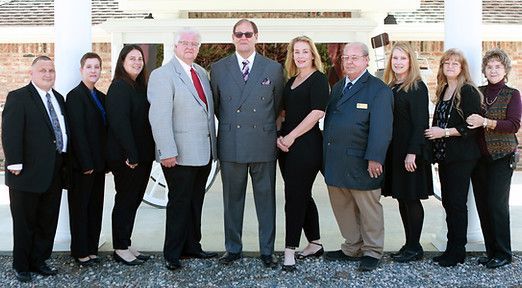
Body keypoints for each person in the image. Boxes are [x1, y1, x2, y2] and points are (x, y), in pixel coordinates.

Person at [210, 18, 284, 268]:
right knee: (232, 201)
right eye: (239, 34)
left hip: (263, 143)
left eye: (248, 34)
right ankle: (232, 249)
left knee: (266, 201)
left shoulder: (273, 68)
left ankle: (267, 250)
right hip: (231, 144)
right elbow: (218, 107)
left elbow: (277, 105)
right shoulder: (218, 68)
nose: (243, 38)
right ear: (233, 37)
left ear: (256, 37)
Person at [148, 28, 218, 271]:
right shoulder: (162, 75)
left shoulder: (200, 72)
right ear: (174, 46)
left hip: (203, 152)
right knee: (178, 203)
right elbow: (159, 117)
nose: (190, 47)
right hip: (177, 154)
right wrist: (166, 151)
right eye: (185, 43)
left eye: (194, 43)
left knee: (195, 201)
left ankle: (192, 245)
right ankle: (173, 253)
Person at [323, 42, 393, 272]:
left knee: (368, 208)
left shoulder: (378, 90)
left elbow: (382, 129)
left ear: (366, 60)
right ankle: (352, 247)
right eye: (346, 58)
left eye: (355, 57)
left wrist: (375, 158)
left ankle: (372, 251)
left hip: (362, 161)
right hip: (336, 160)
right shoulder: (338, 87)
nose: (349, 62)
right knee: (342, 208)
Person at [2, 56, 68, 282]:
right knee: (24, 222)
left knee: (47, 220)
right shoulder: (19, 97)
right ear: (32, 73)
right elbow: (10, 132)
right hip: (25, 173)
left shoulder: (58, 98)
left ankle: (39, 260)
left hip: (54, 172)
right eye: (43, 70)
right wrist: (14, 163)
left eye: (51, 70)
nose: (48, 74)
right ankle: (21, 265)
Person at [425, 48, 482, 267]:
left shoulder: (467, 91)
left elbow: (471, 126)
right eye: (446, 63)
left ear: (462, 68)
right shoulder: (444, 90)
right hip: (445, 156)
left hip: (462, 156)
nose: (450, 66)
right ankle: (451, 247)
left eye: (455, 64)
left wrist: (444, 133)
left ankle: (457, 250)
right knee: (448, 202)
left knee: (457, 204)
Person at [277, 36, 329, 272]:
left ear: (312, 55)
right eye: (296, 52)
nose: (300, 56)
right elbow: (286, 113)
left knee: (294, 197)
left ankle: (289, 251)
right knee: (303, 195)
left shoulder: (318, 79)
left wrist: (291, 137)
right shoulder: (291, 81)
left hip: (306, 146)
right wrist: (280, 135)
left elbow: (316, 113)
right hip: (286, 147)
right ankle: (315, 243)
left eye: (305, 52)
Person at [466, 48, 521, 269]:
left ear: (505, 69)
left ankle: (504, 253)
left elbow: (513, 125)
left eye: (498, 66)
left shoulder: (512, 94)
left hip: (502, 157)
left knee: (497, 205)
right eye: (489, 66)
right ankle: (491, 252)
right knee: (483, 205)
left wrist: (486, 122)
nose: (493, 70)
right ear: (484, 70)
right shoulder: (478, 92)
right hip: (478, 159)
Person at [382, 42, 434, 262]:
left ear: (410, 61)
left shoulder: (417, 87)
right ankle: (408, 244)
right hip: (395, 152)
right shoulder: (392, 86)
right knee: (402, 198)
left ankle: (415, 247)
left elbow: (421, 123)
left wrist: (412, 152)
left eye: (403, 58)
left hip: (411, 152)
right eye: (395, 58)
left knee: (412, 198)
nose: (398, 62)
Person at [106, 45, 155, 266]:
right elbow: (119, 123)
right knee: (125, 200)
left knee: (134, 200)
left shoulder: (138, 87)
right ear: (122, 61)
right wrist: (131, 154)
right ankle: (119, 248)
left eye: (140, 59)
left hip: (142, 156)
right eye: (132, 58)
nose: (137, 62)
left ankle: (125, 242)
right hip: (127, 158)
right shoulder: (119, 87)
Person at [66, 52, 107, 266]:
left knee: (95, 207)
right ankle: (80, 251)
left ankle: (92, 249)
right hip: (83, 166)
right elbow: (77, 132)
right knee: (80, 208)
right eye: (89, 67)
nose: (93, 71)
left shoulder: (100, 97)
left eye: (97, 67)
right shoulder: (75, 96)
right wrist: (87, 163)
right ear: (81, 70)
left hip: (99, 165)